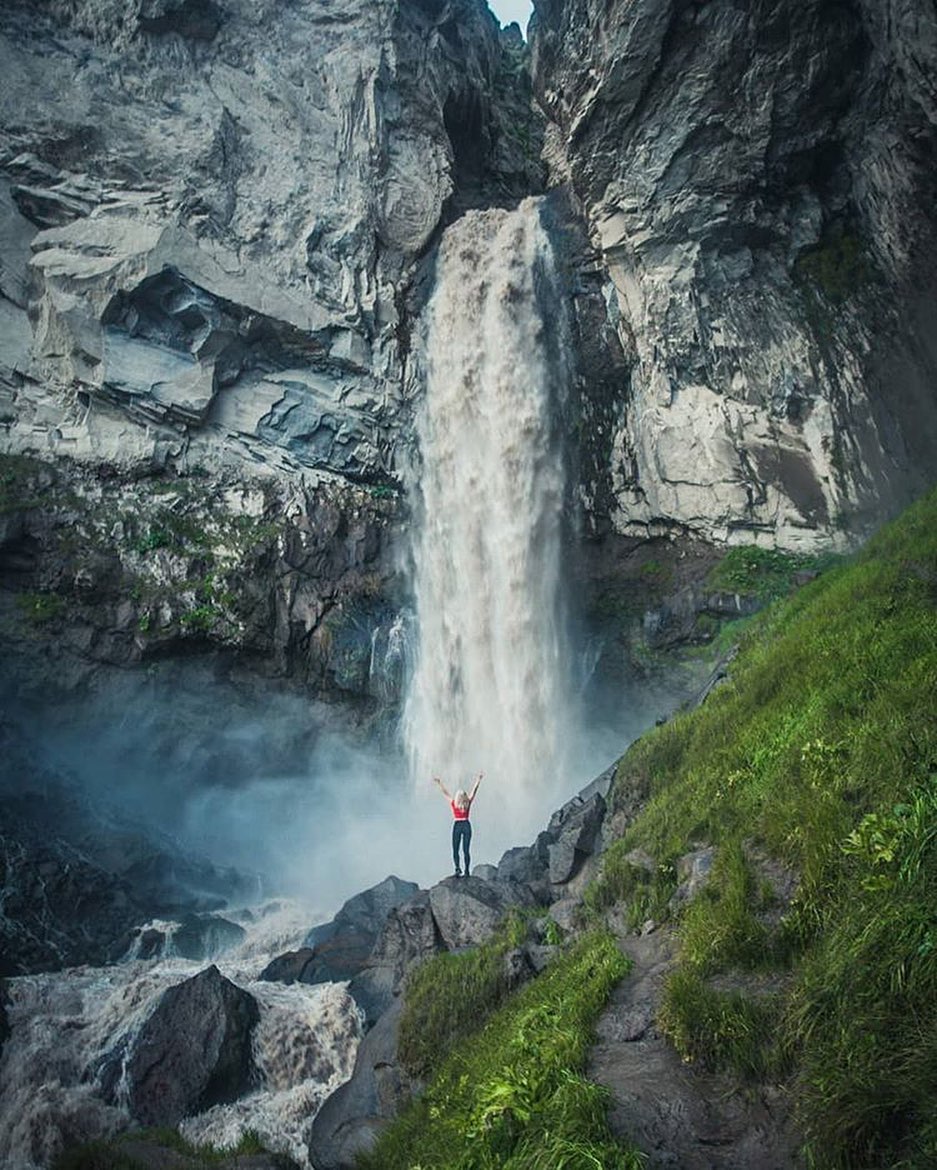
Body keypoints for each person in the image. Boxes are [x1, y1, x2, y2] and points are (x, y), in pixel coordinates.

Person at [433, 772, 482, 877]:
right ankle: (467, 870)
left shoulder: (454, 803)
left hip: (457, 825)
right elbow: (474, 791)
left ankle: (457, 868)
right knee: (466, 850)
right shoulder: (468, 803)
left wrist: (439, 783)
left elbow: (445, 793)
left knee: (455, 849)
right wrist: (478, 780)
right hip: (466, 824)